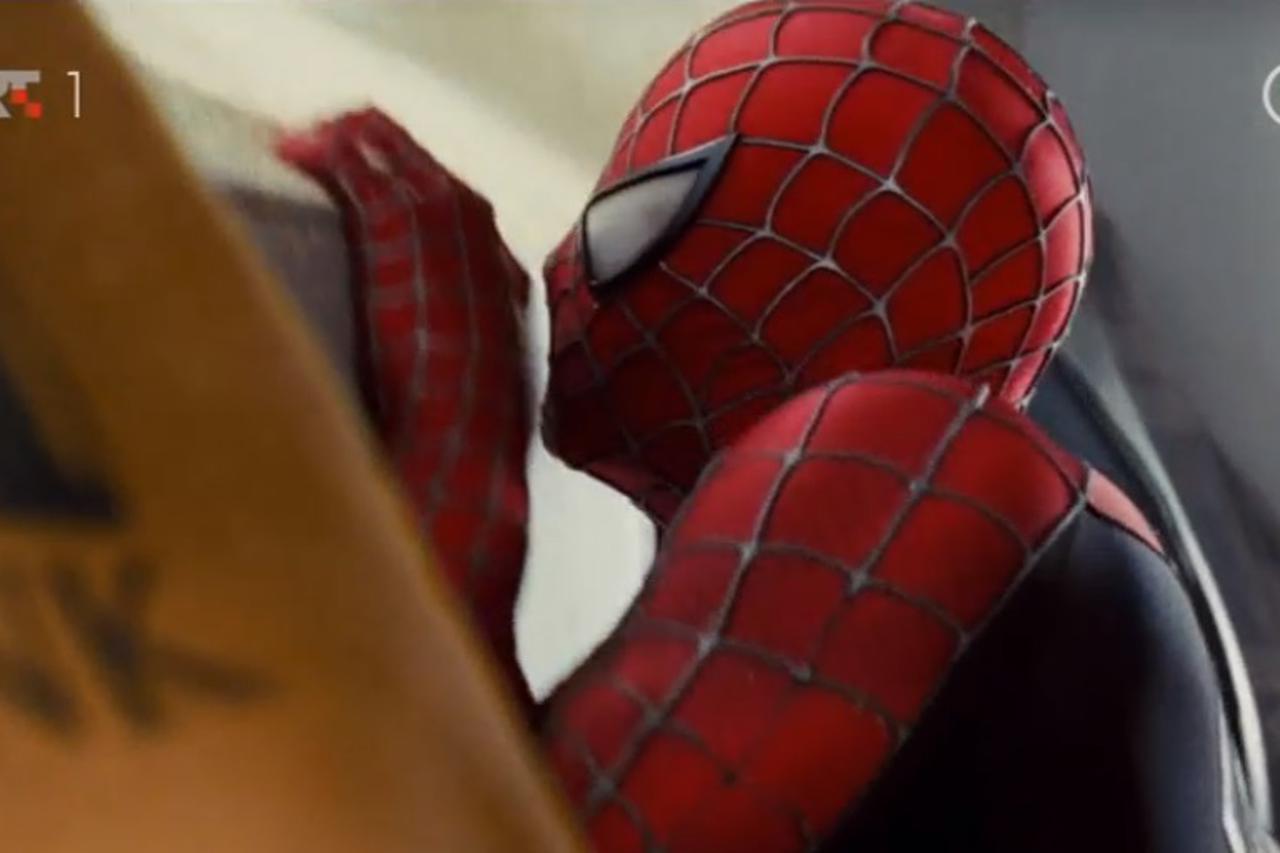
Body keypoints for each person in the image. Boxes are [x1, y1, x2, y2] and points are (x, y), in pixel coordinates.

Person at [281, 1, 1274, 849]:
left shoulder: (914, 463)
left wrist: (456, 404)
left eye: (632, 222)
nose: (562, 265)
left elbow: (470, 832)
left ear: (853, 297)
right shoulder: (1032, 535)